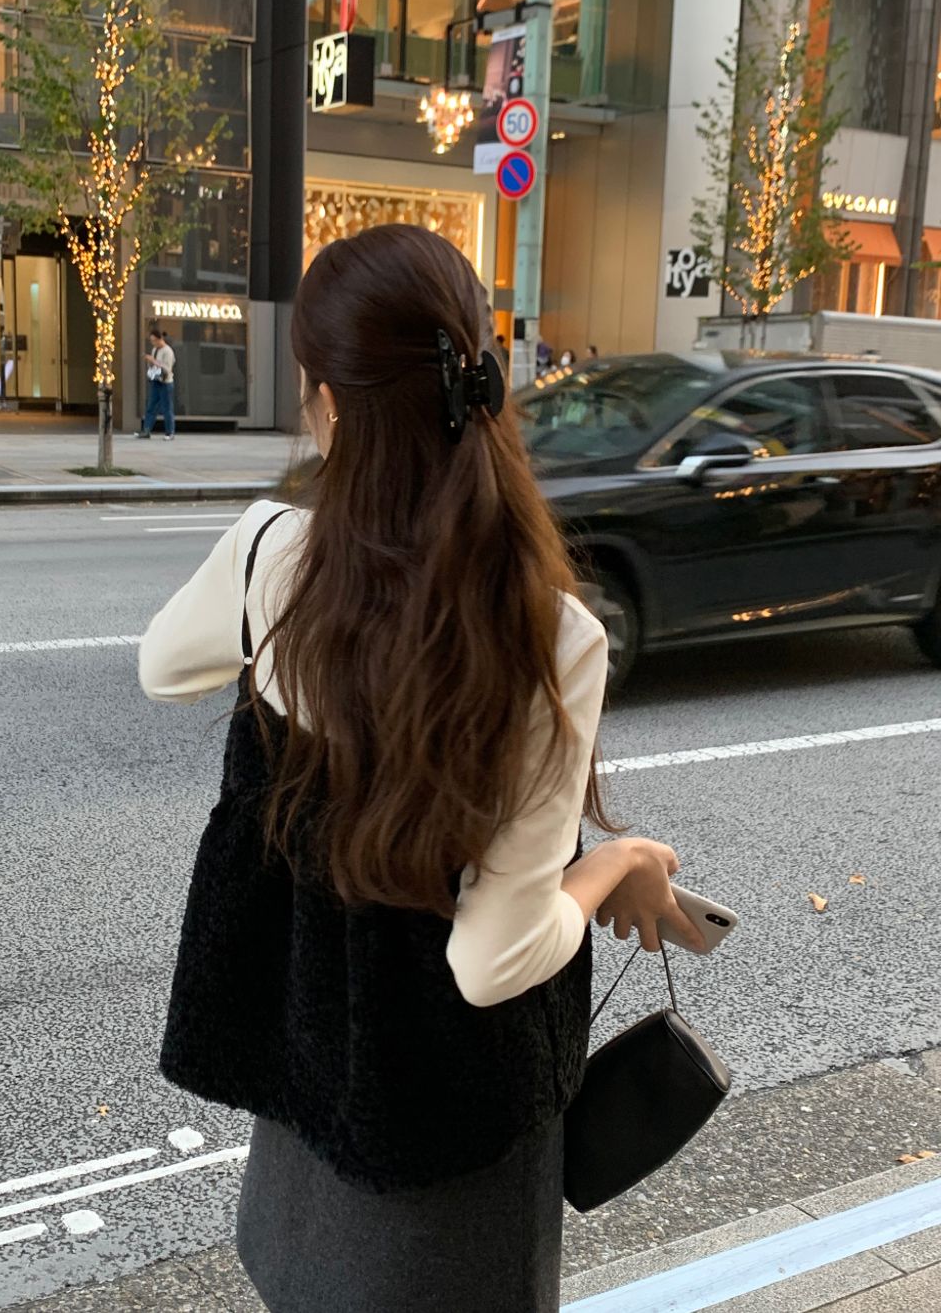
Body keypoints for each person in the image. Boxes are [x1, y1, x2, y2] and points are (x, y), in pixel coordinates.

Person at [138, 225, 701, 1313]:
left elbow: (163, 667)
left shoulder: (267, 556)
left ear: (329, 403)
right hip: (452, 1150)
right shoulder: (548, 636)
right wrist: (616, 863)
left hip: (312, 1089)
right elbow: (493, 961)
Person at [136, 328, 176, 439]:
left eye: (154, 340)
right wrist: (150, 362)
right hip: (156, 380)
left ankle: (170, 432)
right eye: (152, 341)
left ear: (160, 339)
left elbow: (167, 368)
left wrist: (153, 361)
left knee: (167, 408)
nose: (153, 343)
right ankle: (146, 430)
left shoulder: (168, 351)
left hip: (165, 382)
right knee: (151, 406)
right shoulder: (155, 349)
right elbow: (154, 364)